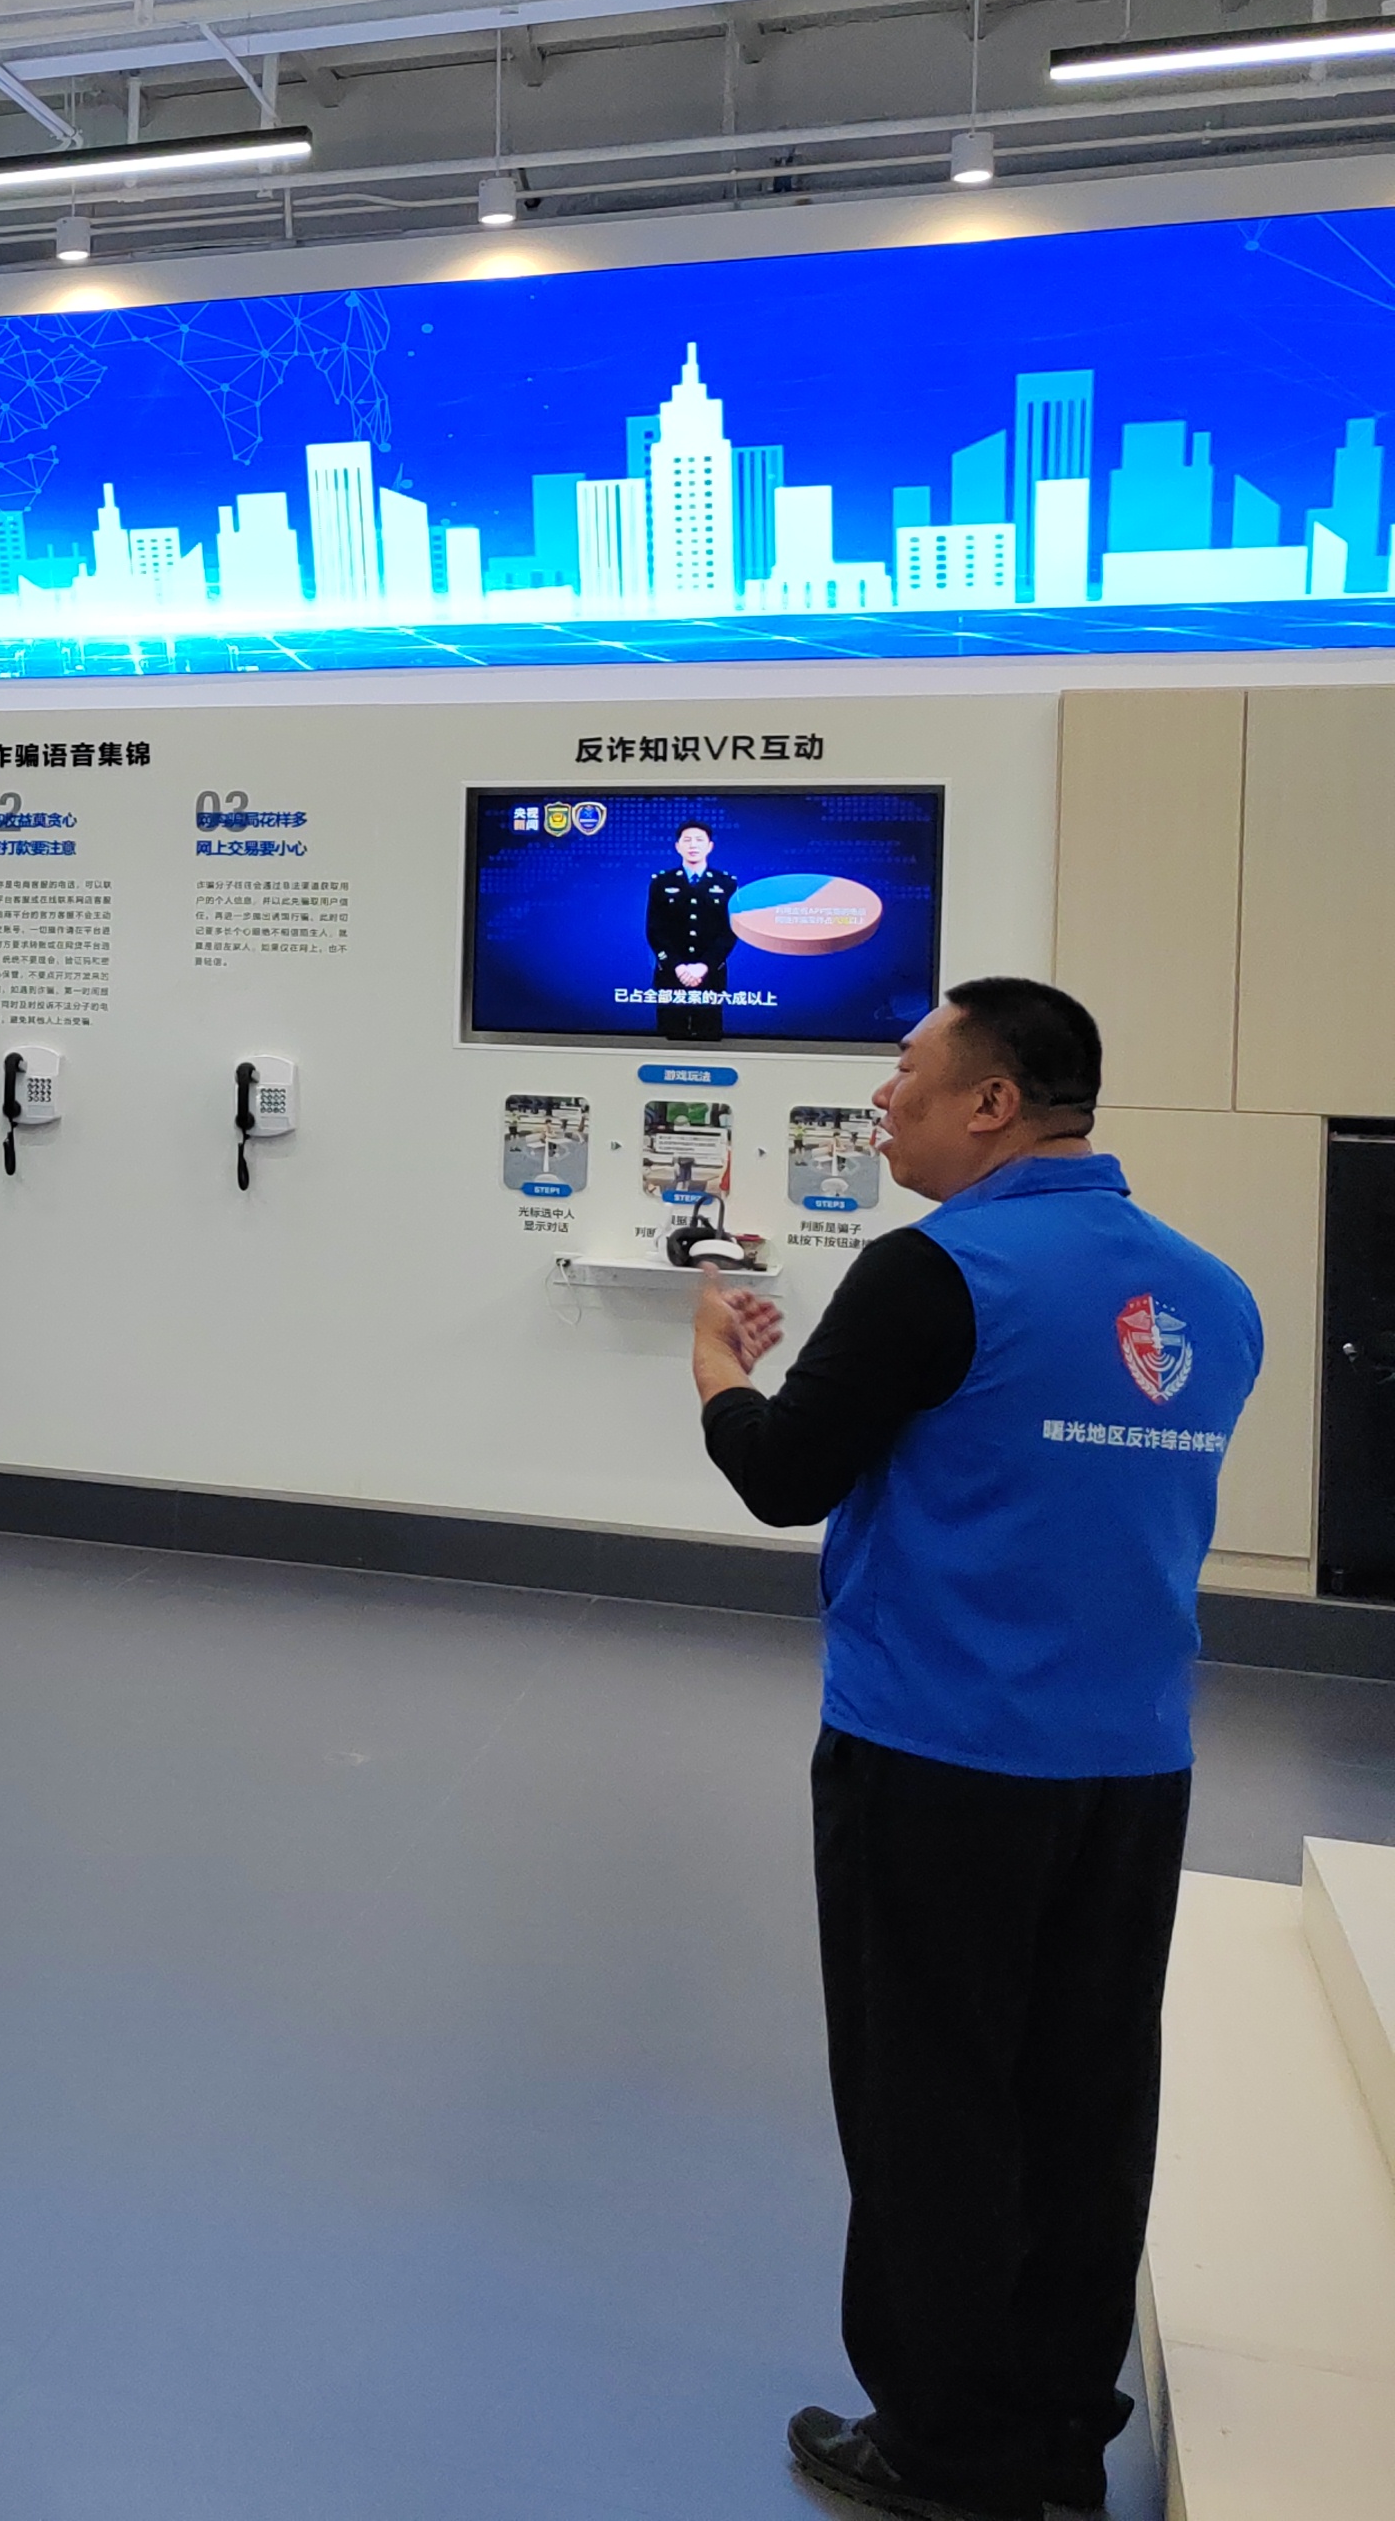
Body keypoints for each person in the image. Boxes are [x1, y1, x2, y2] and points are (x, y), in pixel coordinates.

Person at [687, 978, 1263, 2521]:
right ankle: (1058, 2426)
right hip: (1132, 1763)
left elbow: (785, 1476)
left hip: (940, 1755)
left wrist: (718, 1371)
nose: (884, 1098)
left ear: (994, 1103)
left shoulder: (932, 1272)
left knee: (930, 2092)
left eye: (908, 1072)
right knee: (1088, 2091)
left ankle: (945, 2447)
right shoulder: (1217, 1295)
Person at [650, 818, 741, 1028]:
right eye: (687, 840)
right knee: (668, 1036)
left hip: (711, 977)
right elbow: (654, 930)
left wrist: (705, 965)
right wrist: (677, 966)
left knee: (709, 1034)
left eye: (699, 840)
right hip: (670, 976)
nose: (693, 845)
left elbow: (730, 931)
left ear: (710, 846)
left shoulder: (726, 883)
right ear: (677, 846)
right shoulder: (661, 882)